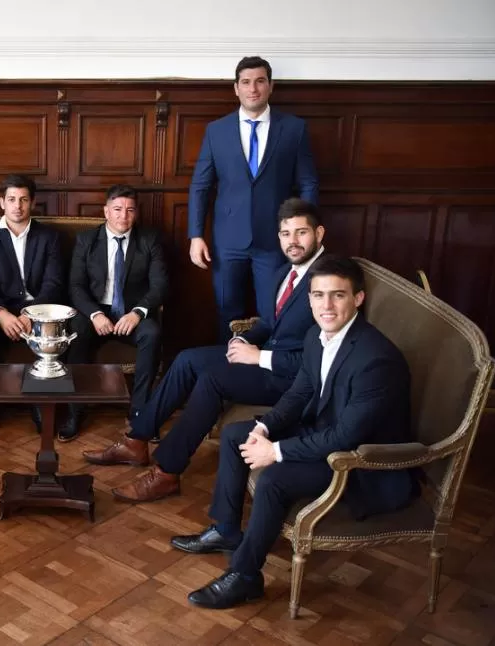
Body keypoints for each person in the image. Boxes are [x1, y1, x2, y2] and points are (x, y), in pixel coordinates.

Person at [174, 255, 419, 610]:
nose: (327, 306)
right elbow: (300, 393)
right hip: (324, 431)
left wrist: (275, 452)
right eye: (318, 295)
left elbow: (345, 439)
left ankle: (245, 577)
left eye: (338, 295)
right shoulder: (316, 336)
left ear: (358, 299)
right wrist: (264, 426)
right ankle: (227, 530)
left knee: (275, 478)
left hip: (361, 462)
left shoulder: (376, 360)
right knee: (235, 434)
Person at [85, 198, 325, 503]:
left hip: (292, 379)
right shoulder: (286, 272)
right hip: (265, 357)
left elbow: (319, 359)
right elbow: (270, 321)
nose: (292, 241)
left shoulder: (327, 282)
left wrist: (259, 356)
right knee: (187, 359)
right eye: (285, 234)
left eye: (301, 233)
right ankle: (136, 440)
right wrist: (242, 340)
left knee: (212, 379)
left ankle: (166, 473)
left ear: (319, 233)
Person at [188, 56, 320, 341]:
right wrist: (196, 235)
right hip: (227, 242)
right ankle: (224, 373)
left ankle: (264, 374)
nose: (253, 89)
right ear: (236, 88)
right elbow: (200, 185)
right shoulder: (216, 131)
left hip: (275, 240)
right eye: (246, 82)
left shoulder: (294, 129)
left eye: (260, 81)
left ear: (270, 86)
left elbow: (308, 182)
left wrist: (305, 230)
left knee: (273, 313)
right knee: (226, 310)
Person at [66, 184, 169, 441]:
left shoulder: (149, 240)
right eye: (118, 209)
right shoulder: (87, 240)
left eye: (130, 210)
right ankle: (73, 411)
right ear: (106, 211)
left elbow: (160, 285)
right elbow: (76, 286)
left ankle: (140, 413)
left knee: (152, 334)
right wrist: (94, 315)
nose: (124, 216)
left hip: (131, 313)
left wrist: (138, 312)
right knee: (76, 330)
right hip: (95, 312)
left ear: (136, 213)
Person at [0, 174, 67, 438]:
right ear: (1, 202)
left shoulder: (49, 237)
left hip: (39, 307)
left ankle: (40, 404)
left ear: (32, 203)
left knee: (50, 330)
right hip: (0, 307)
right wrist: (1, 314)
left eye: (23, 199)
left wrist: (29, 315)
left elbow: (53, 282)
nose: (17, 206)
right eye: (11, 199)